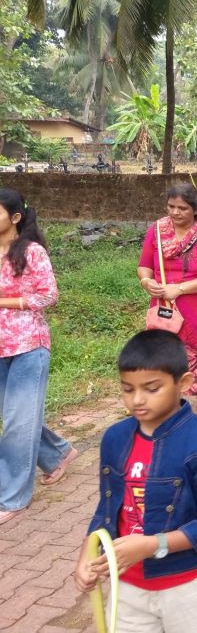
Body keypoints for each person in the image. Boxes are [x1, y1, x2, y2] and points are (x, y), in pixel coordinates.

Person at [73, 331, 197, 632]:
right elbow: (108, 506)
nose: (137, 399)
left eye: (152, 389)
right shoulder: (114, 438)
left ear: (184, 383)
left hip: (190, 585)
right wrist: (88, 552)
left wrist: (153, 545)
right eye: (127, 389)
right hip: (128, 585)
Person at [0, 189, 78, 526]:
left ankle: (12, 497)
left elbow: (49, 295)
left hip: (28, 345)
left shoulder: (31, 252)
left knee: (17, 422)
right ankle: (58, 454)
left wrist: (5, 302)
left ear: (15, 217)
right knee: (18, 416)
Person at [139, 183, 197, 419]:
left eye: (182, 208)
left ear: (195, 209)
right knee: (162, 367)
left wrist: (179, 289)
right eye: (171, 206)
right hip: (163, 313)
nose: (175, 212)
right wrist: (147, 282)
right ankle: (165, 420)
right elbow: (144, 266)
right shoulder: (157, 230)